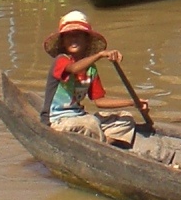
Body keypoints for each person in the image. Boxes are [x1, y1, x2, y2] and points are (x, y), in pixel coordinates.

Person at [42, 9, 147, 147]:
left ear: (87, 40)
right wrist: (100, 55)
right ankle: (102, 144)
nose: (74, 39)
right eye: (69, 36)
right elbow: (74, 69)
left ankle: (100, 141)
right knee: (91, 123)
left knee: (125, 119)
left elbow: (99, 101)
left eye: (78, 35)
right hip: (57, 121)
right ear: (63, 42)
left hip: (80, 118)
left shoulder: (91, 69)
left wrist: (133, 102)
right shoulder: (61, 60)